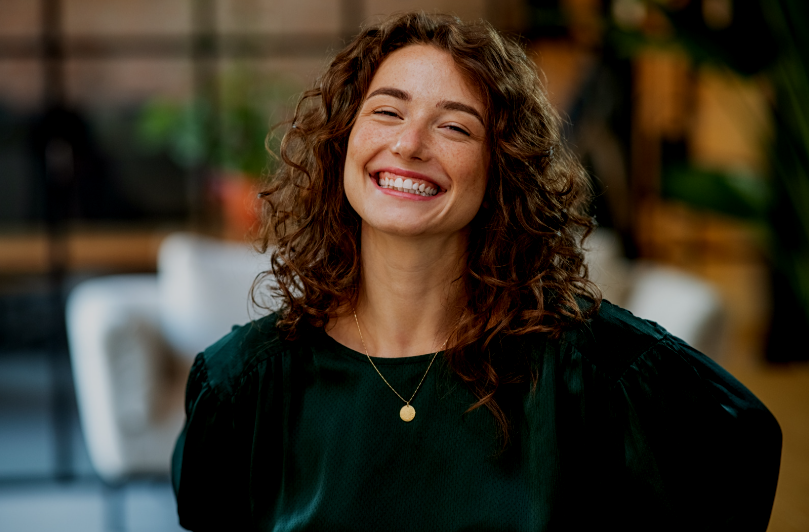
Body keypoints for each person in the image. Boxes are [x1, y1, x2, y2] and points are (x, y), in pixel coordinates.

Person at [171, 12, 781, 531]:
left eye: (455, 125)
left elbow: (740, 447)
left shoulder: (589, 371)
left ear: (501, 172)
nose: (410, 145)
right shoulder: (243, 387)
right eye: (387, 112)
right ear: (342, 142)